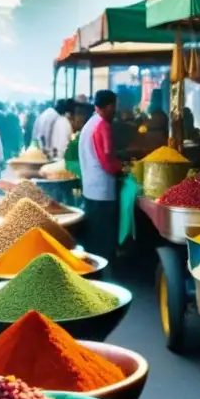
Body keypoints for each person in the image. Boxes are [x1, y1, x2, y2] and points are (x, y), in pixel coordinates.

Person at [78, 90, 124, 267]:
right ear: (110, 106)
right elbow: (107, 159)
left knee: (95, 233)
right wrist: (122, 169)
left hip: (91, 187)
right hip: (102, 189)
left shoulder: (91, 123)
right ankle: (104, 269)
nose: (115, 111)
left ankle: (93, 266)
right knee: (104, 235)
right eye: (115, 106)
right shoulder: (102, 125)